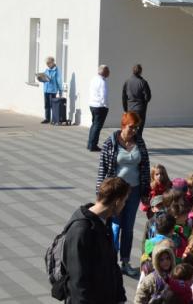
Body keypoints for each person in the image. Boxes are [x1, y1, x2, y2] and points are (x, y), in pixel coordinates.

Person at [96, 111, 151, 278]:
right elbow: (102, 169)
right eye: (131, 127)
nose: (134, 131)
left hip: (133, 191)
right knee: (114, 226)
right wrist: (100, 193)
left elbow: (146, 166)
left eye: (137, 128)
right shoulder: (111, 143)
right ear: (123, 126)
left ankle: (125, 262)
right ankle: (111, 260)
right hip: (116, 192)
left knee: (128, 227)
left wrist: (145, 191)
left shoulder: (139, 142)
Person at [62, 176, 129, 304]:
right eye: (124, 201)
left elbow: (112, 266)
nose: (124, 205)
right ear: (117, 201)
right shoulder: (81, 230)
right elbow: (78, 280)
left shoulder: (104, 222)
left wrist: (120, 297)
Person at [134, 239, 175, 304]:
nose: (165, 262)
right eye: (161, 260)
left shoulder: (174, 276)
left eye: (168, 258)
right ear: (156, 262)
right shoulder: (151, 279)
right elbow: (139, 297)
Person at [123, 63, 152, 137]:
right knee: (139, 129)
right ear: (140, 71)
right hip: (140, 109)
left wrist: (125, 109)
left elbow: (124, 96)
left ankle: (130, 145)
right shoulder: (143, 82)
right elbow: (148, 97)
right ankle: (137, 145)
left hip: (130, 109)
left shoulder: (127, 82)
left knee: (131, 128)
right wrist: (144, 104)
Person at [87, 64, 110, 152]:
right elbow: (103, 95)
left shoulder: (94, 79)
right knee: (97, 126)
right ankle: (93, 145)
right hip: (100, 106)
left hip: (92, 104)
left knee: (94, 125)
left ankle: (90, 144)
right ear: (104, 72)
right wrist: (105, 105)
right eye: (108, 71)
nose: (109, 73)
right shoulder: (102, 82)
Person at [40, 56, 63, 124]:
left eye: (49, 63)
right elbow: (44, 78)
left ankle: (54, 119)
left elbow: (59, 80)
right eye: (47, 63)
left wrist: (60, 90)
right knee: (46, 105)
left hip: (52, 90)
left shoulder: (56, 70)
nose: (47, 65)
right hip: (46, 90)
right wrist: (41, 79)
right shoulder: (47, 70)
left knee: (52, 105)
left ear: (52, 62)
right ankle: (47, 118)